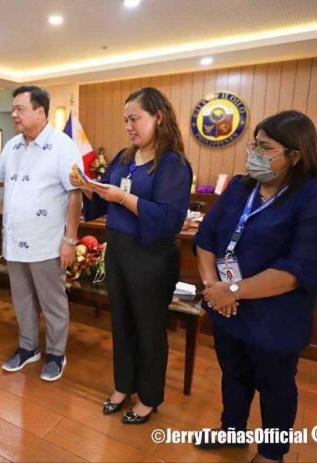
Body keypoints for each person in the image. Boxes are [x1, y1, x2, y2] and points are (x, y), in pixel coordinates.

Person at [194, 110, 317, 462]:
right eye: (254, 145)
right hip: (227, 307)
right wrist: (213, 285)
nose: (254, 154)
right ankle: (232, 432)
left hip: (275, 317)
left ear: (295, 155)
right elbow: (206, 237)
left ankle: (272, 452)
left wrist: (233, 291)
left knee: (275, 387)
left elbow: (297, 270)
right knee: (233, 376)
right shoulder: (239, 187)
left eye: (265, 148)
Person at [71, 87, 192, 424]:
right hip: (120, 251)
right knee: (121, 323)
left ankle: (150, 397)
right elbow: (99, 204)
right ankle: (123, 385)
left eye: (135, 118)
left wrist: (123, 199)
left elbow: (169, 219)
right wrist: (86, 186)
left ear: (159, 117)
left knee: (149, 328)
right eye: (125, 120)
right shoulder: (125, 158)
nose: (129, 126)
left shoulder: (173, 163)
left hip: (152, 257)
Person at [0, 85, 82, 382]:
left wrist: (70, 240)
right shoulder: (13, 145)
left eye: (20, 109)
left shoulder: (62, 145)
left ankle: (56, 353)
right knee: (22, 299)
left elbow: (75, 194)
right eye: (13, 108)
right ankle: (28, 348)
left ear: (41, 111)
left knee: (53, 302)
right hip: (14, 241)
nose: (14, 114)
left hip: (46, 243)